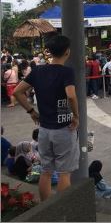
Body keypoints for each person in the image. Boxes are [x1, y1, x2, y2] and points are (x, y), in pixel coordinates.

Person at [13, 35, 80, 202]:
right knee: (64, 173)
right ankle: (62, 209)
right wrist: (76, 116)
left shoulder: (38, 71)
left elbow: (17, 92)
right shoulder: (67, 72)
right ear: (67, 52)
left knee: (46, 171)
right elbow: (71, 96)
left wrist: (31, 112)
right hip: (64, 129)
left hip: (43, 129)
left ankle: (46, 210)